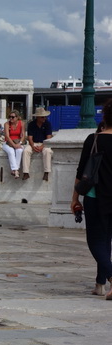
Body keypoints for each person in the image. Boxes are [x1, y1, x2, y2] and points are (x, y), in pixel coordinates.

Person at [71, 100, 112, 298]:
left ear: (104, 116)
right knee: (106, 240)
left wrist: (75, 198)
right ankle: (100, 284)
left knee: (96, 241)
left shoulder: (93, 139)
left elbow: (81, 171)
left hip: (95, 196)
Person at [23, 106, 53, 181]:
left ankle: (46, 172)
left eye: (44, 117)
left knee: (47, 151)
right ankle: (25, 172)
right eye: (42, 117)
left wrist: (42, 146)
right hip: (34, 143)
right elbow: (30, 137)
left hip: (44, 143)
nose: (44, 118)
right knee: (26, 151)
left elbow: (48, 138)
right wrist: (33, 146)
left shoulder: (47, 124)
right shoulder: (31, 124)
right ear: (38, 117)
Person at [2, 110, 25, 179]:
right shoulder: (7, 124)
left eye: (13, 117)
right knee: (11, 152)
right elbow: (7, 136)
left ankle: (14, 170)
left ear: (17, 117)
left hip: (17, 142)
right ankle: (16, 170)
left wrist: (19, 143)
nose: (11, 118)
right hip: (8, 143)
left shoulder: (22, 123)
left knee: (19, 151)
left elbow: (23, 135)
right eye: (10, 117)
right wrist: (14, 145)